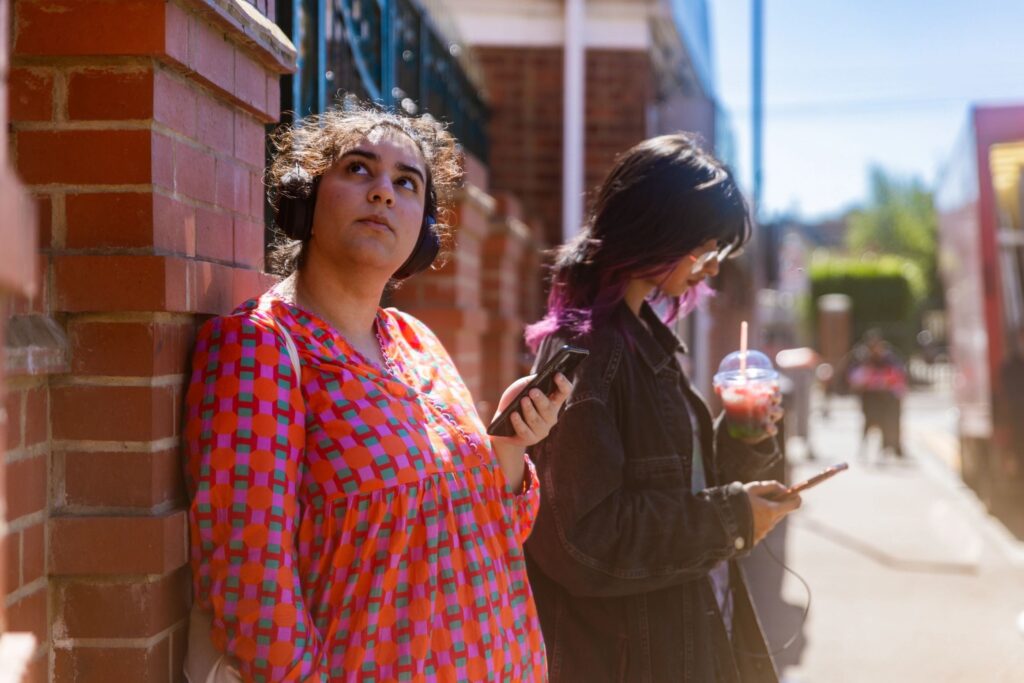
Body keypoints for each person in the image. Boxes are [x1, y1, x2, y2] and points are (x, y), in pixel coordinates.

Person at [182, 101, 571, 682]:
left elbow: (492, 532)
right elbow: (250, 586)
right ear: (305, 198)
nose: (384, 192)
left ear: (421, 228)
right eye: (359, 169)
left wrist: (510, 444)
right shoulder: (262, 348)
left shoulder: (417, 341)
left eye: (406, 182)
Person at [522, 133, 801, 683]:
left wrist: (746, 435)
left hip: (689, 639)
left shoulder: (643, 343)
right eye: (709, 247)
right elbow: (585, 541)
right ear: (659, 229)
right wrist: (733, 517)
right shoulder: (590, 352)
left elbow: (686, 490)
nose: (714, 268)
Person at [847, 329, 906, 459]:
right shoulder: (861, 357)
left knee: (886, 423)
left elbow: (898, 375)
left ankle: (886, 448)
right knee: (868, 423)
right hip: (869, 398)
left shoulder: (889, 358)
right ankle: (864, 448)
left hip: (885, 398)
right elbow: (853, 377)